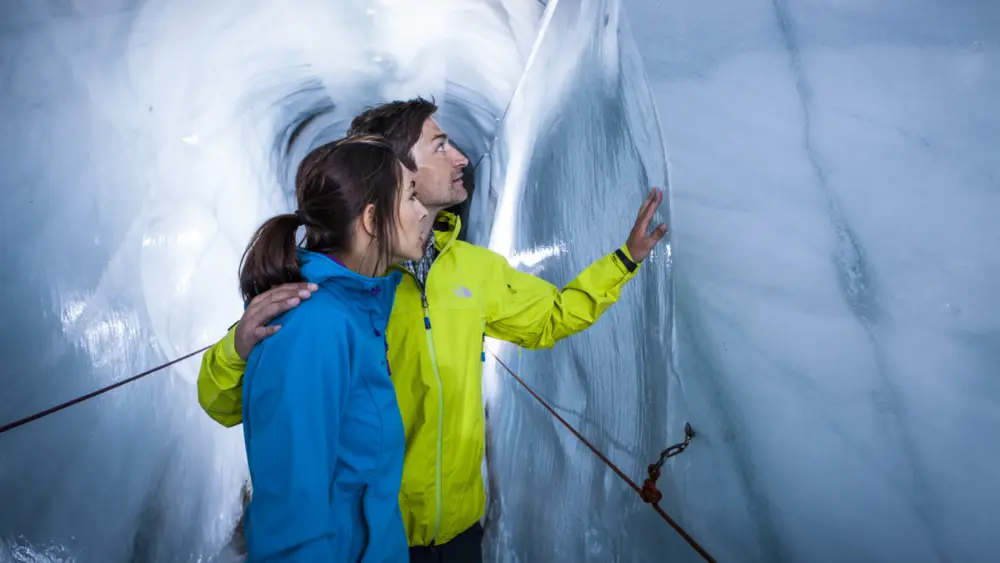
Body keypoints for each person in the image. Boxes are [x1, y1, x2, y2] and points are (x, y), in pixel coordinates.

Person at [198, 98, 668, 563]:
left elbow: (552, 315)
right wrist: (237, 349)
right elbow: (252, 417)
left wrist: (623, 261)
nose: (461, 157)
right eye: (440, 146)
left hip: (458, 528)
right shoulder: (347, 298)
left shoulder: (468, 269)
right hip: (377, 534)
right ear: (394, 173)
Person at [235, 135, 428, 562]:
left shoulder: (358, 311)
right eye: (412, 197)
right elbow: (290, 531)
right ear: (372, 220)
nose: (422, 212)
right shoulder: (317, 327)